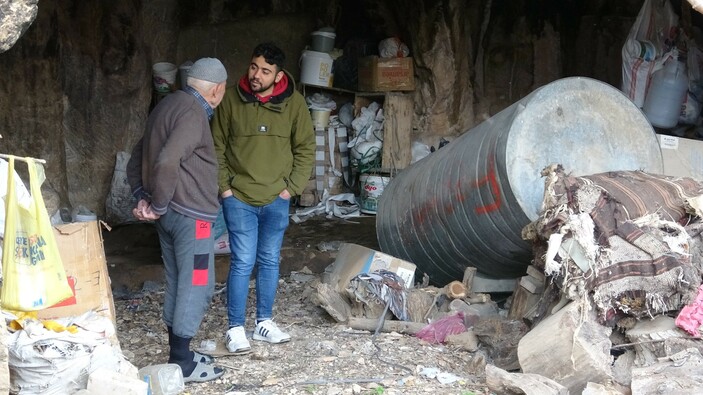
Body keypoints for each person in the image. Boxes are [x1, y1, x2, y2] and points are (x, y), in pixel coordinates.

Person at [126, 57, 228, 383]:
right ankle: (183, 362)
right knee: (198, 283)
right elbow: (169, 160)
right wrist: (156, 203)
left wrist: (143, 196)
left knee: (178, 281)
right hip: (193, 220)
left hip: (171, 218)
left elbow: (135, 158)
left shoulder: (166, 106)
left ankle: (178, 354)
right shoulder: (193, 114)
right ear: (217, 90)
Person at [211, 42, 315, 353]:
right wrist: (226, 190)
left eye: (265, 71)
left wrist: (290, 189)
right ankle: (235, 328)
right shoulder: (231, 99)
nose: (256, 75)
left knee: (269, 260)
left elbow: (305, 149)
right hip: (239, 197)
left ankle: (264, 323)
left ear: (278, 75)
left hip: (276, 198)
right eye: (254, 67)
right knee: (243, 261)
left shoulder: (294, 104)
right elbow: (216, 147)